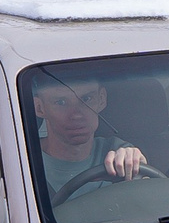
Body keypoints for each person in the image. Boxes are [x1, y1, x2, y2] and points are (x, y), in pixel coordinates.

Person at [32, 77, 149, 213]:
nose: (76, 115)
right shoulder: (22, 161)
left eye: (87, 99)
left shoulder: (119, 151)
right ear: (39, 108)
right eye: (61, 102)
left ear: (101, 100)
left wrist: (135, 166)